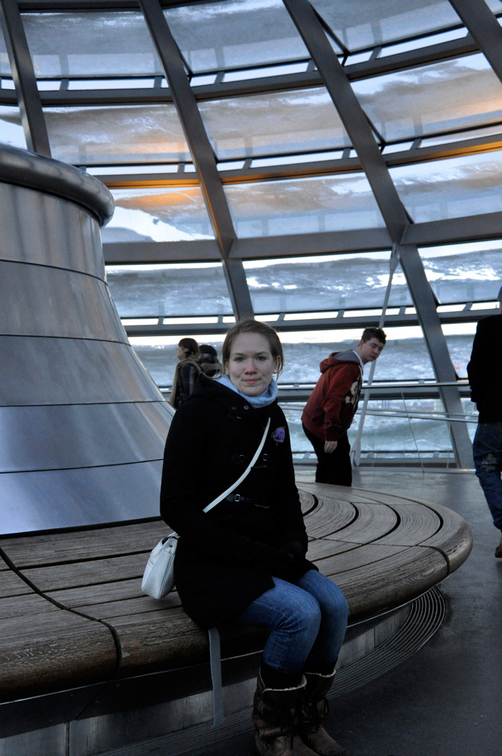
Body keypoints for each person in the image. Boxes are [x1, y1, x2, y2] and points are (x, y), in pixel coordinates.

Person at [160, 318, 350, 756]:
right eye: (241, 358)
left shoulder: (273, 415)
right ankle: (273, 729)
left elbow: (285, 494)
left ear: (276, 362)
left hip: (266, 553)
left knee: (335, 604)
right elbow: (175, 506)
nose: (251, 368)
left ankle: (307, 717)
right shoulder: (197, 413)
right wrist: (251, 552)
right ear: (225, 364)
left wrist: (295, 545)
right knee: (300, 613)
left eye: (261, 358)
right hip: (212, 561)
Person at [302, 327, 386, 487]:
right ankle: (334, 502)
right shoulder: (349, 367)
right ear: (362, 343)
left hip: (318, 422)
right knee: (340, 476)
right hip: (322, 424)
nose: (376, 352)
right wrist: (331, 434)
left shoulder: (350, 363)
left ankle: (322, 498)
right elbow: (333, 400)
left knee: (327, 466)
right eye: (373, 346)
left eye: (380, 349)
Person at [467, 286, 502, 558]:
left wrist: (480, 400)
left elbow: (475, 368)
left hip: (494, 415)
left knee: (488, 468)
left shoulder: (488, 326)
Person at [169, 337, 201, 409]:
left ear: (186, 349)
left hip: (186, 409)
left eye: (179, 346)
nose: (177, 349)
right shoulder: (195, 365)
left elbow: (189, 392)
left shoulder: (188, 367)